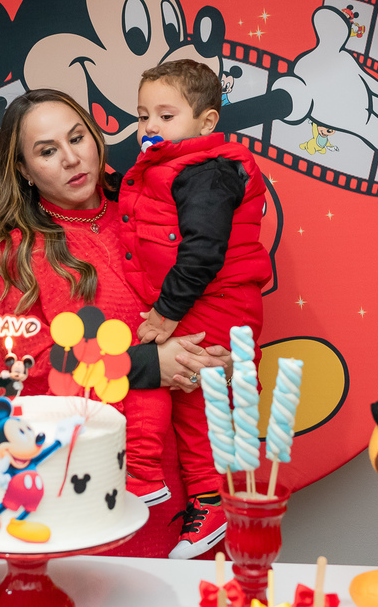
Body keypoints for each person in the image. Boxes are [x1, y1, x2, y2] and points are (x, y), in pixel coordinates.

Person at [0, 88, 232, 557]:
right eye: (47, 151)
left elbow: (216, 294)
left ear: (96, 138)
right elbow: (23, 369)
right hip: (93, 470)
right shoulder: (17, 249)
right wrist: (145, 365)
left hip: (192, 476)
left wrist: (221, 360)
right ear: (24, 171)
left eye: (77, 138)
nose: (71, 159)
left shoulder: (151, 206)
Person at [118, 58, 275, 558]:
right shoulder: (167, 168)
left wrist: (164, 313)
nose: (150, 126)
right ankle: (147, 476)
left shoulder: (208, 170)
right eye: (143, 116)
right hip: (198, 302)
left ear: (207, 122)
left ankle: (211, 504)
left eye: (166, 116)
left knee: (198, 400)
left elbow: (203, 252)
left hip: (216, 302)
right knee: (166, 380)